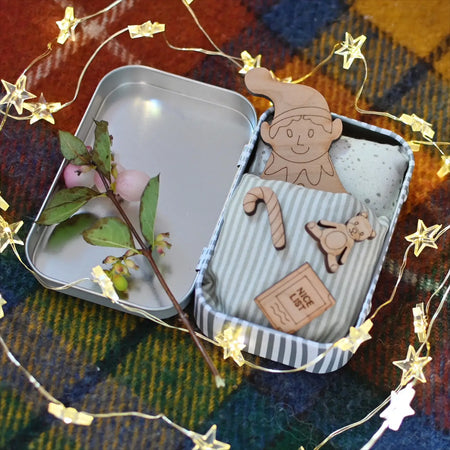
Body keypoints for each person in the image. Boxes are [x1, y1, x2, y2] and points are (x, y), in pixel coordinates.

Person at [245, 67, 347, 193]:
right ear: (267, 134)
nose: (299, 141)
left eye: (311, 133)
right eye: (289, 134)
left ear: (335, 130)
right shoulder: (260, 188)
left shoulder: (336, 195)